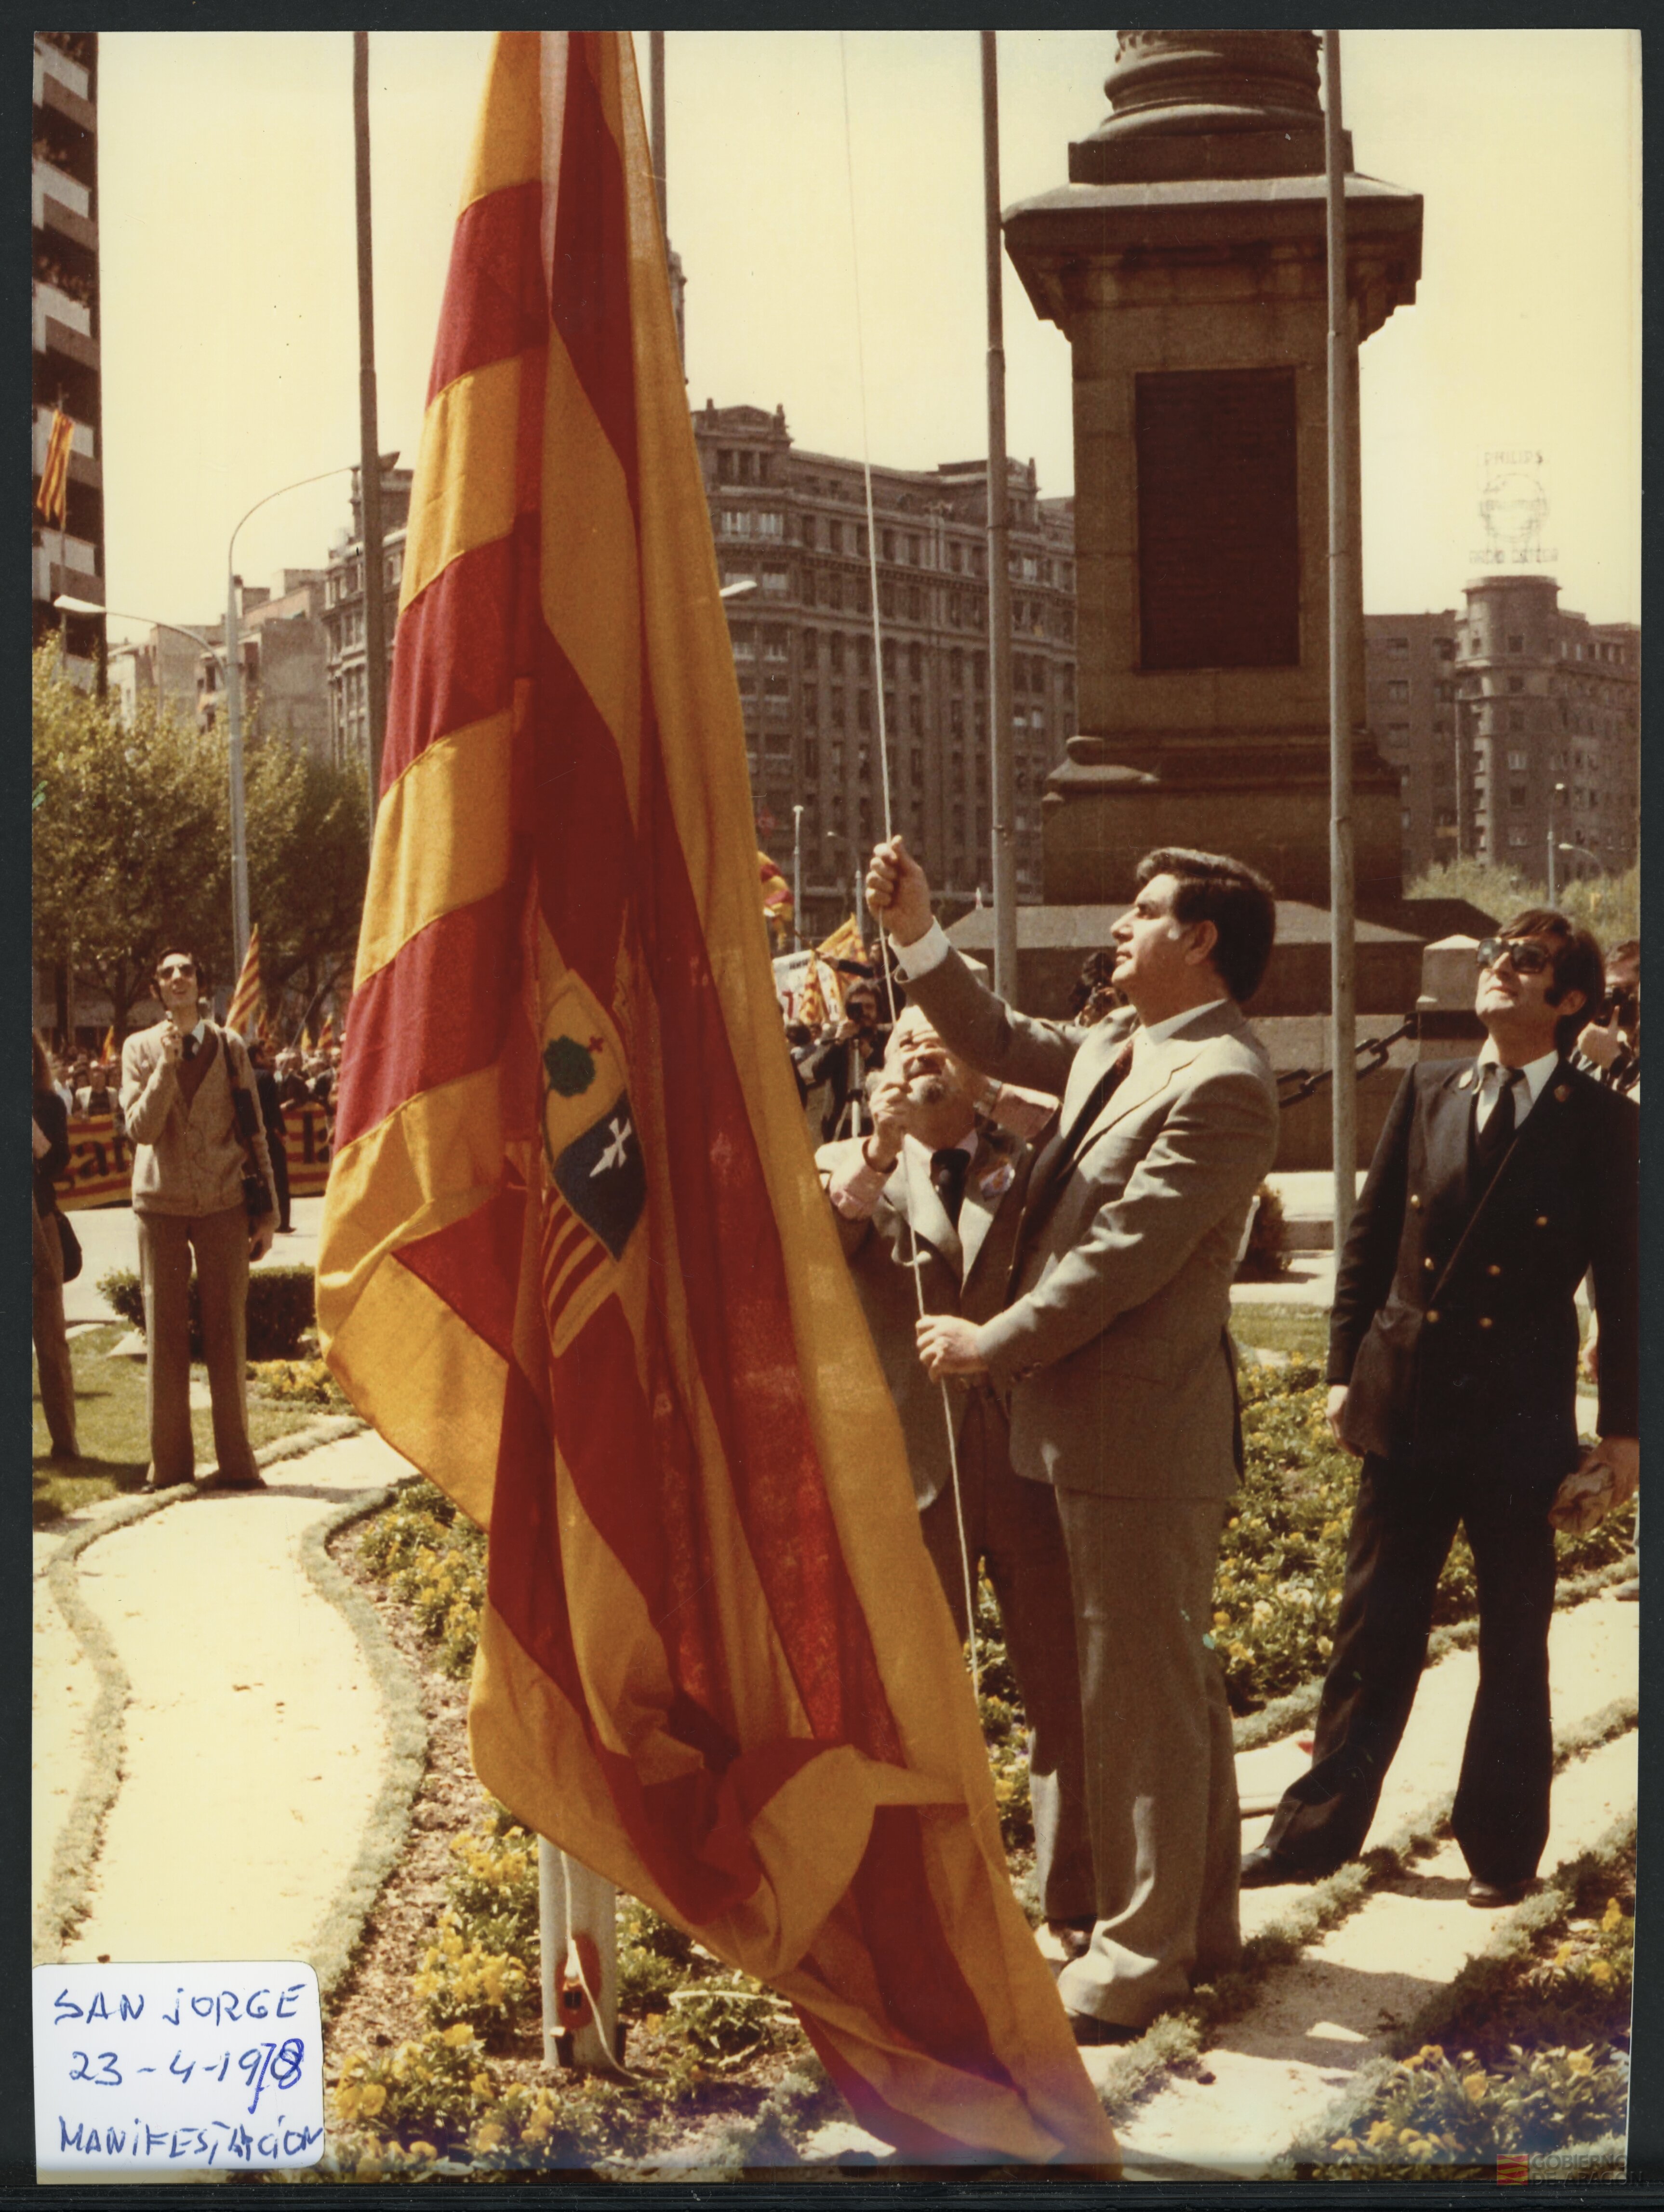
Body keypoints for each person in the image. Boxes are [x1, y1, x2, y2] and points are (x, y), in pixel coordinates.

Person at [866, 836, 1280, 2042]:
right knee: (1164, 1685)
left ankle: (1140, 1953)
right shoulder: (1126, 1045)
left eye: (1142, 910)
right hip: (1095, 1430)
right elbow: (994, 1038)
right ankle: (1195, 1926)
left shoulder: (1223, 1080)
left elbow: (1124, 1258)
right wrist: (916, 932)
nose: (1119, 925)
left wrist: (994, 1337)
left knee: (1143, 1694)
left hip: (1142, 1435)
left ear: (1198, 940)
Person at [1243, 912, 1638, 1907]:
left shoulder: (1603, 1122)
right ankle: (1311, 1836)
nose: (1499, 970)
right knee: (1371, 1630)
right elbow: (1369, 1248)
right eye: (1496, 956)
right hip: (1407, 1407)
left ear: (1572, 1001)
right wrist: (1342, 1371)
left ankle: (1501, 1851)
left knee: (1513, 1636)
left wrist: (1626, 1434)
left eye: (1528, 963)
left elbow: (1632, 1290)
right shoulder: (1425, 1090)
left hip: (1519, 1419)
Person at [818, 1004, 1096, 1948]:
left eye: (944, 1039)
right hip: (909, 1474)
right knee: (916, 1700)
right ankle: (933, 1904)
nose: (923, 1053)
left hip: (1028, 1462)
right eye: (905, 1043)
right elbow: (820, 1247)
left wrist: (986, 1084)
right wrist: (883, 1144)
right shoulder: (849, 1164)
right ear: (873, 1070)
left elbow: (1088, 1140)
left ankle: (1074, 1901)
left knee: (1061, 1690)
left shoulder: (1027, 1148)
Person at [120, 949, 278, 1492]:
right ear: (157, 991)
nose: (178, 978)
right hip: (160, 1203)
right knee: (164, 1336)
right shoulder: (138, 1049)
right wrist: (166, 1064)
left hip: (223, 1202)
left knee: (226, 1333)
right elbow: (140, 1129)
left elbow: (254, 1129)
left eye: (186, 970)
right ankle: (168, 1467)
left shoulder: (230, 1045)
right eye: (166, 973)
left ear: (200, 984)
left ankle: (237, 1463)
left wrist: (268, 1214)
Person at [32, 1030, 79, 1460]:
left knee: (50, 1336)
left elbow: (57, 1162)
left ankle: (66, 1442)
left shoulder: (48, 1103)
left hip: (38, 1219)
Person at [796, 978, 892, 1143]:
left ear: (878, 1011)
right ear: (848, 1009)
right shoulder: (835, 1033)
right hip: (841, 1122)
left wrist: (870, 1054)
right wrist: (838, 1042)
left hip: (878, 1120)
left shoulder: (887, 1035)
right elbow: (818, 1072)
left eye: (869, 1007)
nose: (864, 1013)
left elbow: (895, 1070)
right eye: (858, 1007)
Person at [1576, 936, 1638, 1097]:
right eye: (1613, 990)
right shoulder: (1597, 1044)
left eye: (1627, 989)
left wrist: (1616, 1063)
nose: (1619, 999)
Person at [244, 1036, 293, 1233]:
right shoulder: (265, 1077)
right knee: (279, 1178)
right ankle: (282, 1222)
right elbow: (274, 1110)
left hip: (247, 1135)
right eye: (264, 1054)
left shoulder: (242, 1076)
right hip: (267, 1136)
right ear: (257, 1056)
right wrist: (283, 1132)